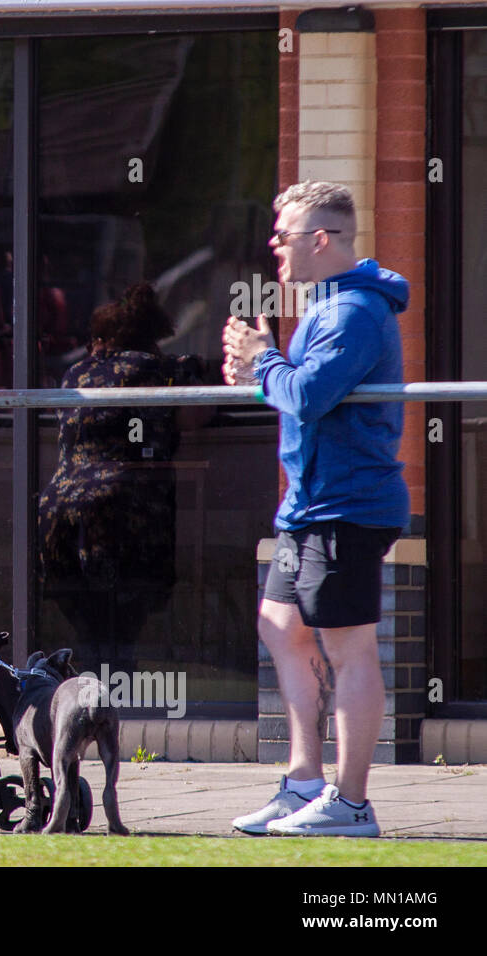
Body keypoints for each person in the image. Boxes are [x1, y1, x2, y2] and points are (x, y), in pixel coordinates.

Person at [223, 180, 409, 836]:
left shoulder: (354, 312)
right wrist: (254, 374)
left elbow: (305, 396)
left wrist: (264, 360)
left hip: (348, 506)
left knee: (349, 647)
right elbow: (294, 395)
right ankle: (303, 780)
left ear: (321, 239)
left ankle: (351, 803)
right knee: (281, 625)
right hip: (308, 507)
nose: (274, 245)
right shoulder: (329, 307)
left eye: (285, 235)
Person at [38, 283, 204, 651]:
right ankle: (116, 699)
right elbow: (196, 416)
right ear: (153, 337)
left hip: (58, 509)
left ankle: (90, 695)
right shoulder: (160, 371)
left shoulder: (73, 375)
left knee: (88, 627)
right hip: (123, 510)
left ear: (100, 338)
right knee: (121, 630)